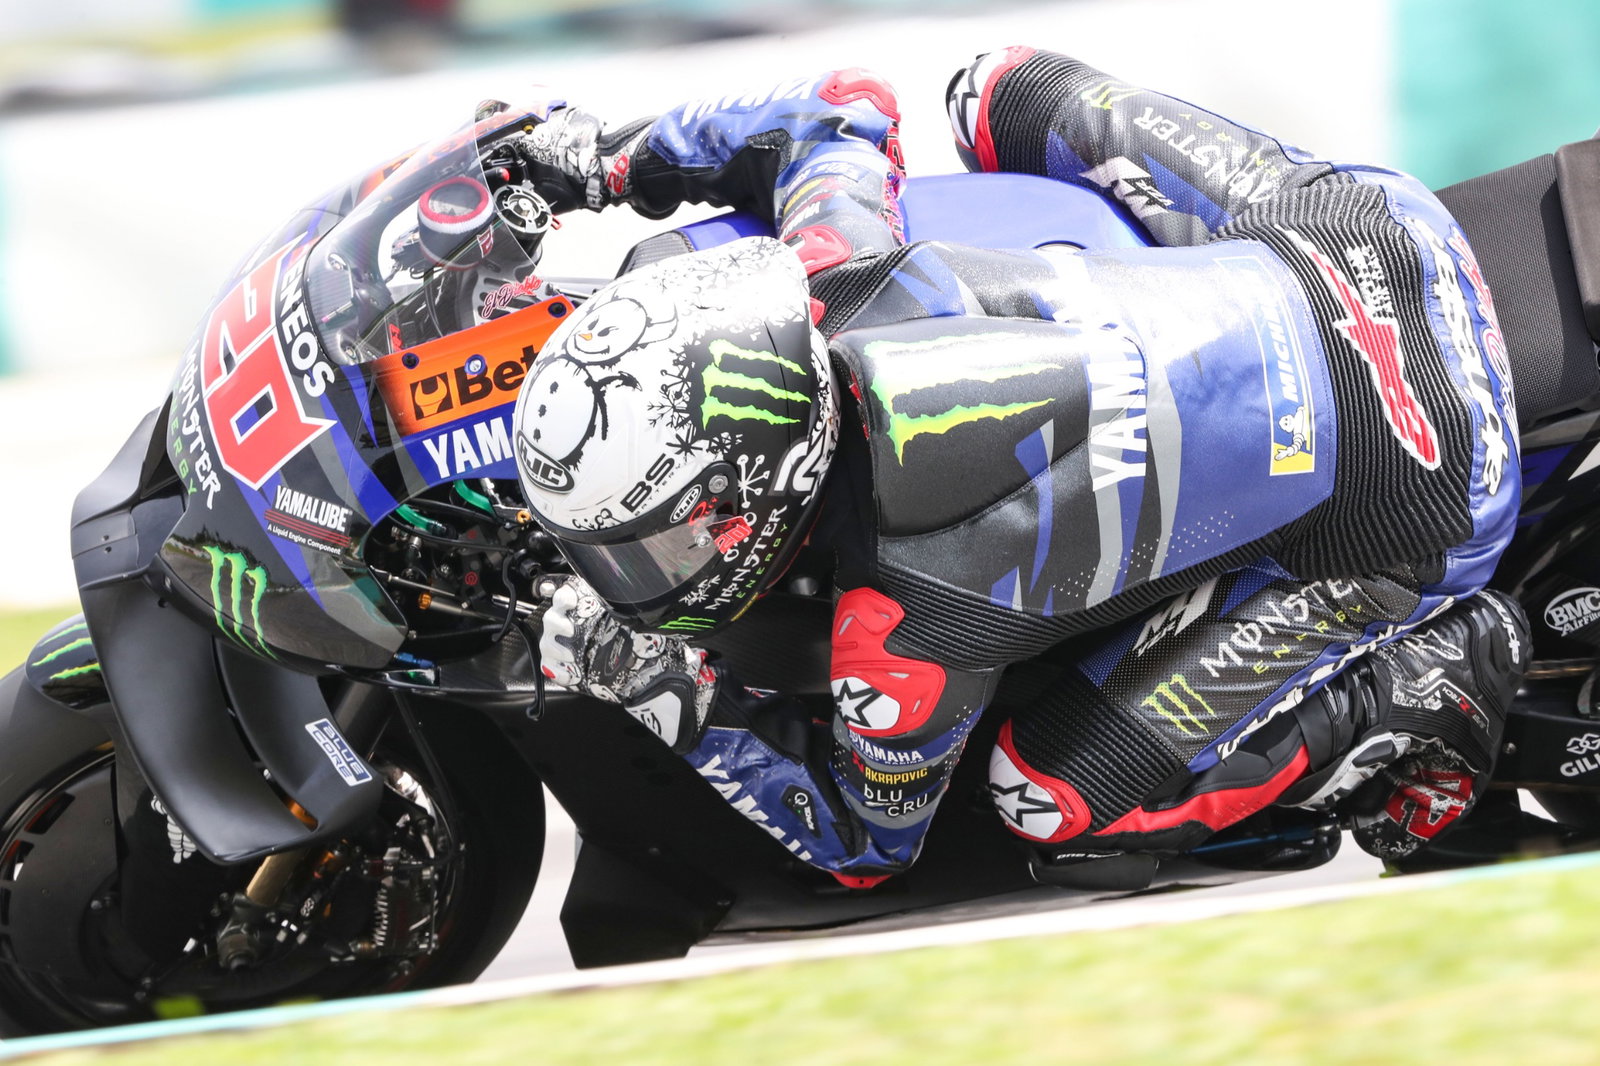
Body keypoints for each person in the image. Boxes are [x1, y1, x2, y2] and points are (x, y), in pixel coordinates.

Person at [506, 46, 1529, 887]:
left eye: (659, 543)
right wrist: (601, 161)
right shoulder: (836, 270)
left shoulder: (902, 629)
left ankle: (1426, 680)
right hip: (1373, 235)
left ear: (758, 493)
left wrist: (657, 683)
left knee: (1046, 801)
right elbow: (836, 107)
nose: (645, 568)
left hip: (1423, 493)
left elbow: (863, 842)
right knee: (994, 88)